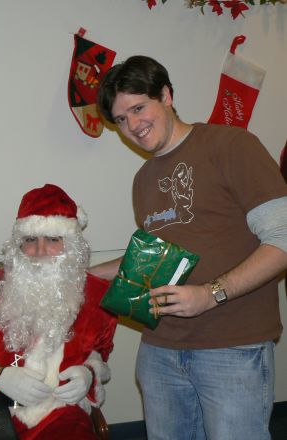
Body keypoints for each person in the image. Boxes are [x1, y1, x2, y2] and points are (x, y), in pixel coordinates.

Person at [91, 55, 287, 440]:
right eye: (120, 119)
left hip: (232, 348)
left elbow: (282, 237)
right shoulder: (143, 179)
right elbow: (152, 254)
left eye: (138, 107)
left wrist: (211, 294)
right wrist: (85, 271)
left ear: (166, 95)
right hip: (159, 352)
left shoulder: (231, 144)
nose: (132, 125)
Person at [0, 184, 117, 439]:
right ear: (18, 245)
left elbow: (99, 353)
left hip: (56, 412)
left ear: (71, 245)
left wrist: (89, 374)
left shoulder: (99, 298)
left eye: (52, 239)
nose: (39, 252)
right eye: (30, 240)